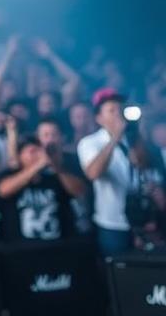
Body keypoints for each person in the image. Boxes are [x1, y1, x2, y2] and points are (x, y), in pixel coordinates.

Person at [77, 87, 135, 256]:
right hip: (112, 224)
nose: (118, 114)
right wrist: (115, 137)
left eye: (120, 109)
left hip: (143, 222)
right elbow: (93, 173)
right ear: (99, 118)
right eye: (111, 110)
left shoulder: (134, 139)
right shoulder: (90, 143)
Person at [0, 136, 77, 241]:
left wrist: (56, 166)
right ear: (20, 156)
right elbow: (3, 191)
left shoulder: (54, 176)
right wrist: (38, 165)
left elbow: (78, 191)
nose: (37, 155)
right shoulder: (10, 174)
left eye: (39, 151)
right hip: (21, 248)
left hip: (55, 246)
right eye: (32, 151)